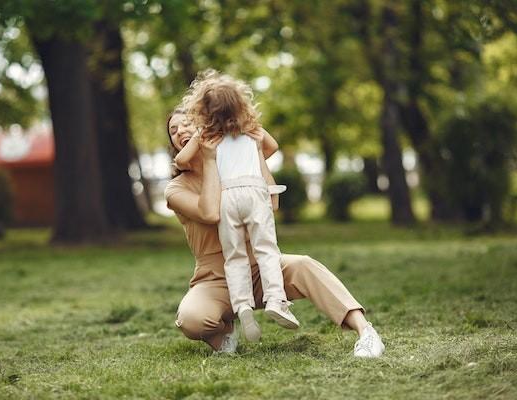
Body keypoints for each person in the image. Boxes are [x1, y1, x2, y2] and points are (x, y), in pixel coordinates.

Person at [165, 108, 385, 357]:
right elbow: (210, 213)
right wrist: (207, 159)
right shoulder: (176, 189)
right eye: (174, 130)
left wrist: (232, 113)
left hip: (262, 269)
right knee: (192, 319)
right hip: (216, 279)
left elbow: (270, 163)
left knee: (305, 265)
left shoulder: (238, 168)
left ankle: (366, 332)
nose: (181, 130)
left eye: (188, 124)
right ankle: (223, 335)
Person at [172, 70, 299, 343]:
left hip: (228, 198)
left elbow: (181, 161)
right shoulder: (250, 132)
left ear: (201, 111)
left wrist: (199, 143)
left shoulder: (206, 136)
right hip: (253, 192)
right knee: (266, 249)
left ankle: (242, 308)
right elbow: (273, 147)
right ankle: (276, 299)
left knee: (235, 257)